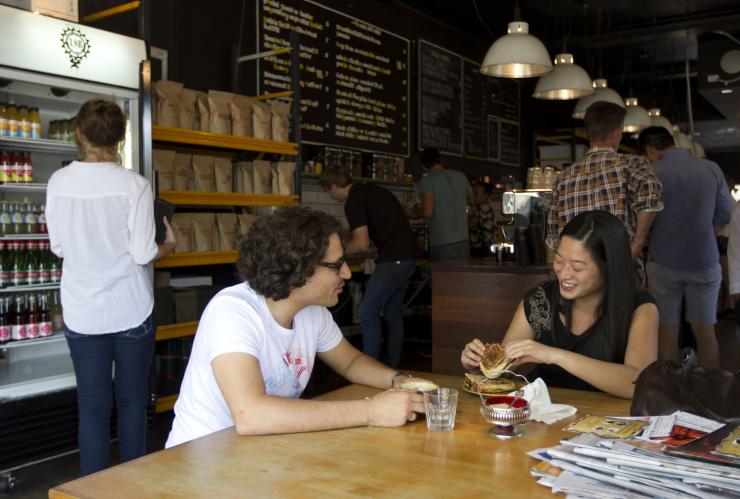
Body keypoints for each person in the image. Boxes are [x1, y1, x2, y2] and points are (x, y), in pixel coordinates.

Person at [166, 207, 429, 448]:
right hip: (201, 461)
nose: (347, 273)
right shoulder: (232, 311)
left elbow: (351, 362)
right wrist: (371, 411)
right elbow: (251, 415)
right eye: (336, 265)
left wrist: (399, 381)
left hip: (262, 453)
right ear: (298, 268)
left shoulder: (312, 312)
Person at [45, 99, 177, 475]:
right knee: (133, 400)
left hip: (83, 310)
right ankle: (130, 487)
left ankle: (92, 490)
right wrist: (167, 246)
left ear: (79, 133)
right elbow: (142, 253)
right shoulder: (135, 185)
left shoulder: (59, 182)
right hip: (131, 308)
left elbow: (58, 247)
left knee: (92, 406)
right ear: (121, 137)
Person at [461, 211, 659, 399]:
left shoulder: (639, 308)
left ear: (609, 267)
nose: (564, 274)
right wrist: (479, 364)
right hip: (542, 413)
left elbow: (639, 384)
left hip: (607, 419)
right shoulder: (541, 301)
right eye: (559, 260)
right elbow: (503, 370)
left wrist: (554, 356)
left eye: (577, 267)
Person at [639, 126, 734, 369]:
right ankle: (710, 386)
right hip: (704, 260)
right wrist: (707, 231)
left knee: (667, 332)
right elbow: (726, 211)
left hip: (663, 261)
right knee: (705, 332)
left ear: (650, 149)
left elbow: (644, 215)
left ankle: (672, 387)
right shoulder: (710, 168)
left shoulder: (652, 172)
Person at [546, 101, 663, 279]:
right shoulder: (630, 164)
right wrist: (637, 243)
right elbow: (650, 188)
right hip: (620, 270)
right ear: (616, 133)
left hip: (579, 276)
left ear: (587, 134)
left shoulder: (563, 177)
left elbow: (554, 235)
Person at [320, 168, 419, 368]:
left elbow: (361, 243)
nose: (331, 196)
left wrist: (336, 255)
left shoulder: (353, 201)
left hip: (394, 258)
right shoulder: (370, 190)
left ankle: (369, 368)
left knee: (367, 311)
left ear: (333, 187)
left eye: (329, 191)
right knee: (392, 313)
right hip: (409, 257)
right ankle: (391, 366)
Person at [419, 147, 473, 261]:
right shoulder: (461, 176)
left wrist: (415, 212)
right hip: (463, 241)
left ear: (423, 166)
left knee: (443, 273)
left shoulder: (427, 180)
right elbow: (472, 200)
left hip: (441, 243)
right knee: (462, 273)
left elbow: (427, 212)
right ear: (441, 161)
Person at [468, 181, 501, 257]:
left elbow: (470, 224)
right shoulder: (479, 207)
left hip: (481, 248)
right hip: (483, 247)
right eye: (472, 192)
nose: (472, 195)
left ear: (485, 196)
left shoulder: (483, 208)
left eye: (476, 193)